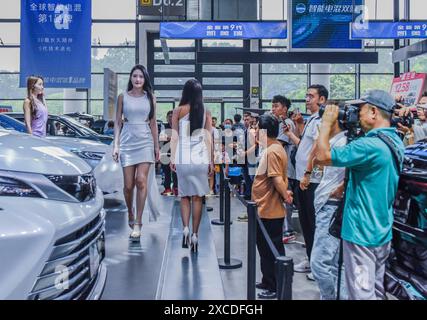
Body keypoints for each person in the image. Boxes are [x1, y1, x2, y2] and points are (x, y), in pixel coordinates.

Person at [316, 90, 405, 300]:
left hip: (361, 235)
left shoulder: (368, 146)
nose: (356, 114)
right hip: (381, 230)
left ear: (374, 112)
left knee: (361, 294)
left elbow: (322, 156)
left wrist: (327, 124)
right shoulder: (394, 142)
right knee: (374, 290)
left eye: (360, 110)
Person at [112, 64, 160, 241]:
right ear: (131, 78)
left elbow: (153, 123)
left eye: (141, 76)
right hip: (126, 141)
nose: (138, 79)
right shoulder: (122, 97)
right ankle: (130, 212)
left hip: (145, 140)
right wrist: (116, 145)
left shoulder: (151, 98)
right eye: (135, 76)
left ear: (145, 79)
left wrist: (156, 147)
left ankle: (138, 223)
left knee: (141, 180)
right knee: (128, 186)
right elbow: (117, 122)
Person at [285, 85, 327, 276]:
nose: (307, 99)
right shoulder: (311, 120)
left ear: (322, 100)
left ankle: (317, 264)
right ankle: (311, 259)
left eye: (311, 96)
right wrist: (293, 131)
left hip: (313, 181)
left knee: (313, 223)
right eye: (306, 96)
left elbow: (319, 149)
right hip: (303, 179)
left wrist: (310, 174)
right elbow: (304, 145)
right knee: (306, 222)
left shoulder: (322, 121)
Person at [252, 113, 293, 299]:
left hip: (271, 210)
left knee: (272, 249)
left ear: (263, 131)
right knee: (263, 247)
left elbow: (277, 179)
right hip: (263, 209)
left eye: (256, 128)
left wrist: (286, 196)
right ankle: (267, 280)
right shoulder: (271, 148)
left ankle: (275, 286)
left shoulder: (273, 151)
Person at [170, 79, 214, 253]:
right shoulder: (206, 112)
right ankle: (195, 235)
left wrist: (172, 158)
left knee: (184, 196)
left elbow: (174, 137)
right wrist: (211, 161)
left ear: (185, 93)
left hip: (183, 156)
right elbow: (209, 138)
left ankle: (185, 229)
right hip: (200, 157)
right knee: (197, 197)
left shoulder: (178, 111)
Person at [310, 101, 348, 300]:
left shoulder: (343, 142)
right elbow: (319, 160)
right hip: (326, 204)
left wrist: (342, 187)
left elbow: (321, 157)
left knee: (319, 264)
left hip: (331, 207)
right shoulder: (336, 140)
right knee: (334, 264)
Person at [271, 95, 298, 243]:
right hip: (287, 168)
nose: (273, 109)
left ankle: (287, 231)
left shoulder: (285, 123)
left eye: (276, 106)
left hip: (286, 169)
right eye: (273, 106)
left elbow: (278, 145)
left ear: (285, 109)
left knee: (285, 198)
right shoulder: (286, 122)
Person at [160, 110, 178, 196]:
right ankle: (167, 188)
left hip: (176, 151)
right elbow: (163, 138)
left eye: (172, 117)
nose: (171, 118)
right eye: (169, 117)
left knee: (176, 171)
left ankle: (176, 188)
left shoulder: (177, 126)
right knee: (166, 171)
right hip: (165, 151)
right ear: (167, 118)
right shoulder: (164, 126)